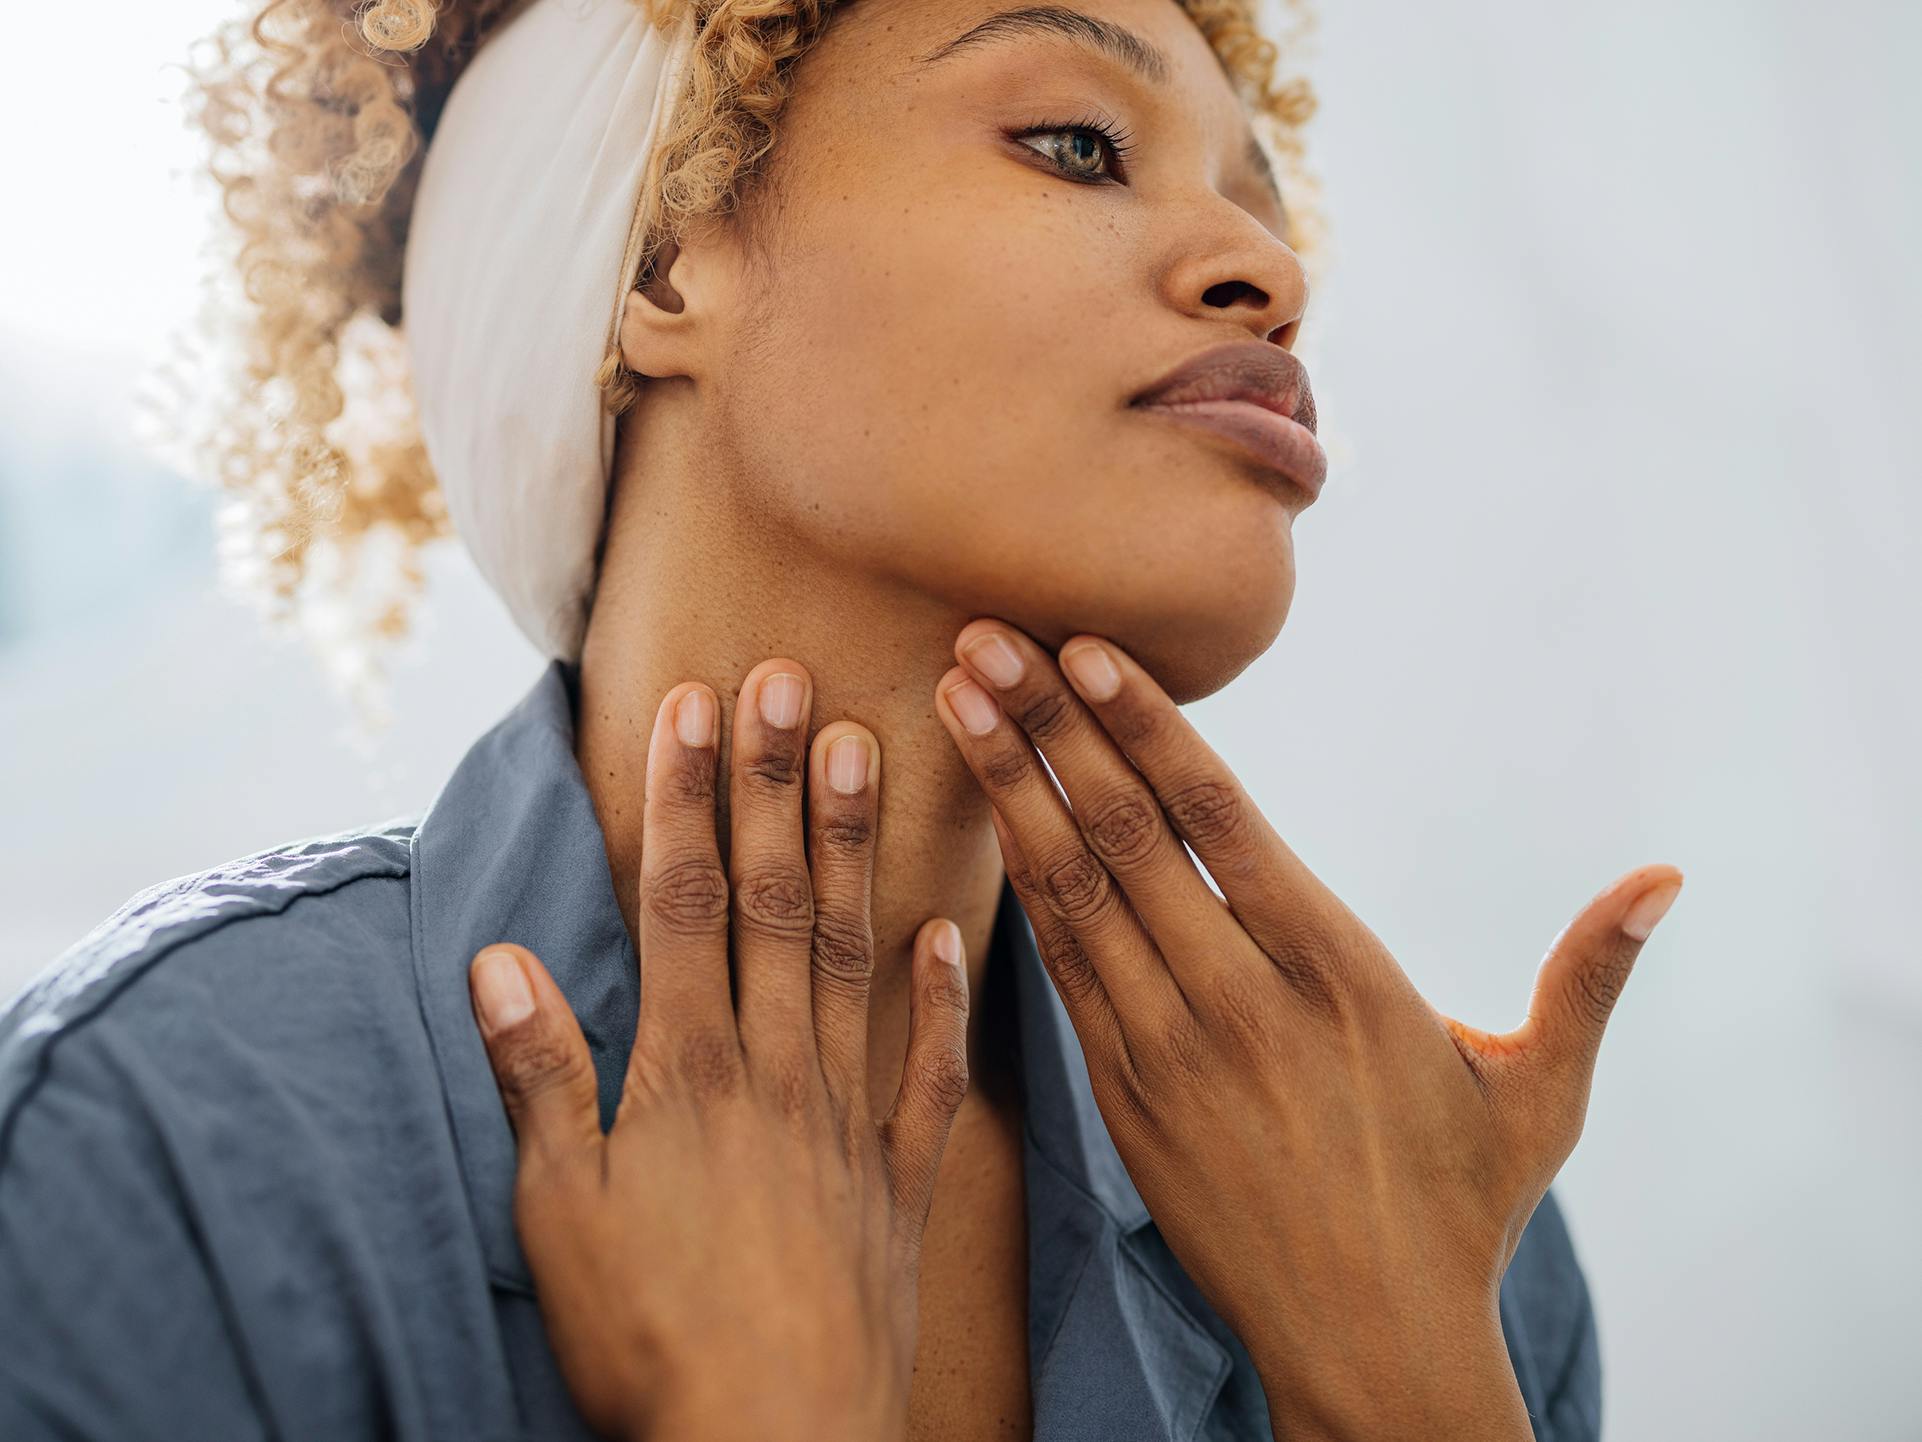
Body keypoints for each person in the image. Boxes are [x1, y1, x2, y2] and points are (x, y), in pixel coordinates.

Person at [0, 0, 1682, 1437]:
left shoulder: (1452, 1246)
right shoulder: (164, 1144)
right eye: (1079, 145)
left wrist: (1410, 1392)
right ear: (665, 253)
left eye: (1261, 193)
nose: (1270, 266)